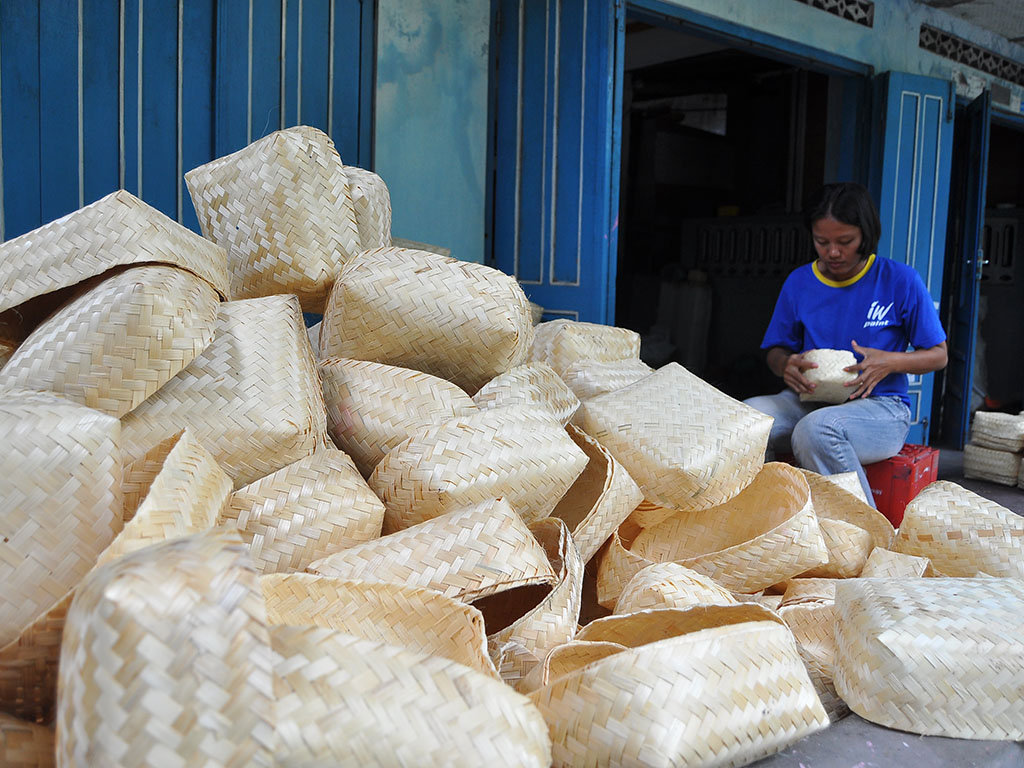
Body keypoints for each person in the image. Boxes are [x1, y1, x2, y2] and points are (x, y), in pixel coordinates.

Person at [745, 182, 947, 506]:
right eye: (821, 242)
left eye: (845, 241)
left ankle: (866, 535)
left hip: (882, 408)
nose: (833, 252)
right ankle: (772, 520)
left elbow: (939, 355)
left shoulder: (899, 280)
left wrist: (890, 362)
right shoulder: (800, 282)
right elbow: (776, 350)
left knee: (816, 430)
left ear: (865, 235)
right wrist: (785, 365)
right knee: (748, 418)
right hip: (809, 400)